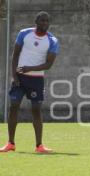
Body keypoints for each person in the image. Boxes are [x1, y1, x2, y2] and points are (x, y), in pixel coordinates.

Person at [0, 11, 59, 153]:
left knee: (36, 110)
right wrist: (15, 76)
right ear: (36, 21)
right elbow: (15, 55)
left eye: (47, 21)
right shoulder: (24, 33)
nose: (45, 23)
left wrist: (30, 68)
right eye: (42, 20)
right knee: (14, 106)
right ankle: (10, 143)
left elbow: (48, 65)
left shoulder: (52, 41)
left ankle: (39, 145)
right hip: (20, 77)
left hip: (36, 80)